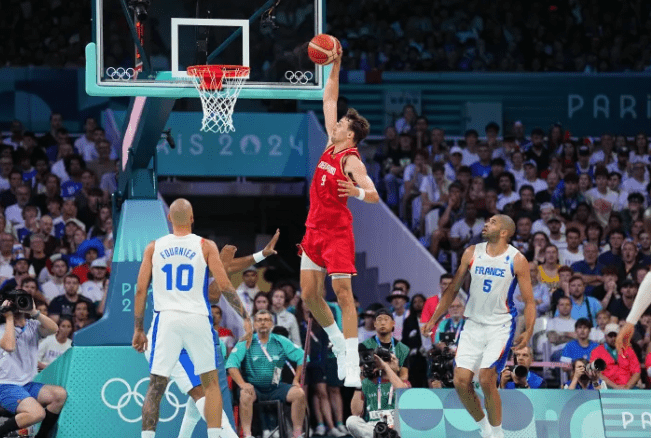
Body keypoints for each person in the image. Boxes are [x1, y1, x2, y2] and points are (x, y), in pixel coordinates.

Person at [131, 198, 252, 438]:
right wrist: (245, 316)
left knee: (156, 387)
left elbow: (140, 290)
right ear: (193, 218)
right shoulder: (206, 245)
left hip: (166, 319)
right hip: (197, 319)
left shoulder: (153, 247)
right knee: (211, 384)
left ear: (169, 218)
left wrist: (138, 328)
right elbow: (225, 285)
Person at [298, 46, 379, 388]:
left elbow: (374, 195)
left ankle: (351, 359)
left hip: (336, 233)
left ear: (351, 134)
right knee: (309, 296)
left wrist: (355, 192)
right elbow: (329, 97)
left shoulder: (352, 161)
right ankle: (334, 337)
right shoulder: (332, 145)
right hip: (313, 230)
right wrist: (337, 63)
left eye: (342, 124)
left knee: (343, 292)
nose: (336, 124)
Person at [422, 215, 535, 438]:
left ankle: (498, 433)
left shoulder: (517, 259)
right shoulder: (472, 252)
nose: (486, 224)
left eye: (492, 222)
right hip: (472, 325)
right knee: (460, 381)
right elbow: (453, 288)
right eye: (487, 221)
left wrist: (529, 331)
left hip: (500, 326)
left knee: (485, 377)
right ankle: (485, 429)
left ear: (504, 232)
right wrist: (434, 318)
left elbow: (529, 301)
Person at [226, 310, 306, 438]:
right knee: (244, 394)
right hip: (254, 389)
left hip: (276, 387)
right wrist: (243, 384)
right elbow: (231, 365)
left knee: (299, 393)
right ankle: (247, 435)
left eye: (266, 320)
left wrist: (296, 380)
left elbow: (303, 357)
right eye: (259, 320)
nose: (263, 323)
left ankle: (296, 433)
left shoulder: (281, 340)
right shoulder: (246, 342)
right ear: (254, 324)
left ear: (272, 324)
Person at [0, 293, 67, 438]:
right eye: (14, 303)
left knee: (59, 395)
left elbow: (54, 329)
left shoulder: (33, 326)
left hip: (27, 384)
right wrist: (9, 318)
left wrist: (34, 312)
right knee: (37, 413)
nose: (18, 306)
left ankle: (41, 436)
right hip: (5, 386)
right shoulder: (2, 328)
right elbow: (10, 346)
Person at [346, 351, 409, 438]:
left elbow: (402, 392)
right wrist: (359, 381)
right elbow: (356, 413)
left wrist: (386, 367)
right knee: (351, 421)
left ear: (398, 367)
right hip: (374, 428)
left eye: (394, 359)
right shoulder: (366, 383)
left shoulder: (403, 382)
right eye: (388, 359)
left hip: (396, 427)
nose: (391, 360)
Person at [362, 308, 410, 381]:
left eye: (386, 319)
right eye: (379, 320)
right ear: (375, 324)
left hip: (394, 389)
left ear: (393, 323)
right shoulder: (365, 346)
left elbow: (404, 376)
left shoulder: (403, 349)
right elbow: (362, 376)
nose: (383, 323)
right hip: (372, 389)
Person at [590, 323, 640, 389]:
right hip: (607, 388)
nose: (613, 338)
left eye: (615, 335)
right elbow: (597, 373)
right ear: (605, 336)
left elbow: (636, 372)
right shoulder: (596, 352)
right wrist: (615, 387)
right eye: (610, 335)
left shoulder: (628, 350)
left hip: (628, 387)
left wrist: (627, 387)